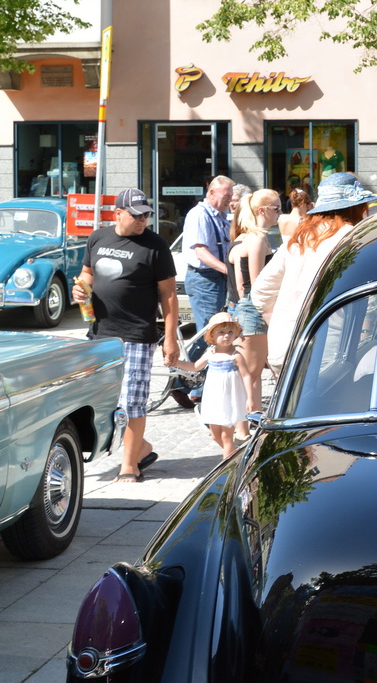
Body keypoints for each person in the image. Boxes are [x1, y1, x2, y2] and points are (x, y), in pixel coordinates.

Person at [71, 187, 179, 481]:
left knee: (133, 401)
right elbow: (87, 274)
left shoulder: (155, 246)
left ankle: (129, 465)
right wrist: (80, 288)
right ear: (117, 213)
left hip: (136, 335)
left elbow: (169, 295)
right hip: (99, 333)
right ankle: (141, 447)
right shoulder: (98, 237)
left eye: (146, 214)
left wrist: (171, 338)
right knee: (103, 400)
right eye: (136, 214)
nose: (143, 219)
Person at [253, 172, 377, 374]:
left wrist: (283, 319)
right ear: (358, 208)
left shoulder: (300, 238)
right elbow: (370, 297)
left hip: (284, 345)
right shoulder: (352, 238)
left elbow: (260, 291)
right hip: (329, 350)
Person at [230, 189, 282, 413]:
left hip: (247, 308)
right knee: (251, 373)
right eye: (277, 208)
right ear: (262, 210)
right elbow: (257, 284)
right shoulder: (257, 239)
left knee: (252, 373)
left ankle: (250, 419)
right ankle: (248, 421)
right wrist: (269, 315)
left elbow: (242, 285)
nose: (280, 213)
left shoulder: (244, 238)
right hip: (255, 309)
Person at [176, 311, 254, 460]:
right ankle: (236, 456)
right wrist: (177, 363)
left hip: (230, 399)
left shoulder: (236, 355)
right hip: (214, 398)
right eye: (221, 332)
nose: (226, 336)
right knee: (215, 435)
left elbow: (246, 376)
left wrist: (250, 398)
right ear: (211, 336)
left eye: (230, 332)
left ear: (236, 333)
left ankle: (228, 463)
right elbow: (194, 366)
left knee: (226, 436)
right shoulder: (210, 353)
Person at [182, 175, 235, 331]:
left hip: (215, 279)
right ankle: (192, 357)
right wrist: (228, 271)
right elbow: (201, 253)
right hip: (204, 280)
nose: (230, 200)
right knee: (209, 332)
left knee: (216, 331)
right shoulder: (200, 215)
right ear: (212, 193)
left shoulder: (220, 216)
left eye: (231, 196)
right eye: (226, 196)